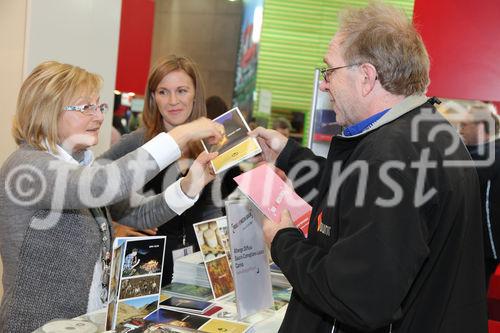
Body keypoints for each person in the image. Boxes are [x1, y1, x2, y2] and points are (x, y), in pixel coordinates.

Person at [250, 3, 487, 333]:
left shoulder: (391, 154)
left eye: (329, 70)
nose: (324, 84)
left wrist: (282, 242)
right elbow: (355, 197)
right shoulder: (424, 130)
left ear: (366, 77)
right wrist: (289, 156)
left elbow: (355, 297)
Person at [0, 61, 223, 332]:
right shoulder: (27, 167)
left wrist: (190, 186)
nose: (99, 116)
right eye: (86, 107)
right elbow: (102, 185)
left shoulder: (79, 165)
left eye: (99, 106)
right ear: (47, 110)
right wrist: (182, 133)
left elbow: (138, 213)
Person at [103, 55, 238, 285]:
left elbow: (210, 210)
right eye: (163, 92)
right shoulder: (138, 143)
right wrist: (113, 227)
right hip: (143, 269)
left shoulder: (209, 143)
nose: (173, 100)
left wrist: (222, 270)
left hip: (194, 270)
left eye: (182, 91)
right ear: (153, 97)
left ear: (195, 94)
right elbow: (93, 183)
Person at [457, 101, 500, 287]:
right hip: (477, 245)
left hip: (484, 246)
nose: (461, 128)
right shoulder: (480, 153)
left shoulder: (492, 154)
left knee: (470, 299)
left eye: (465, 124)